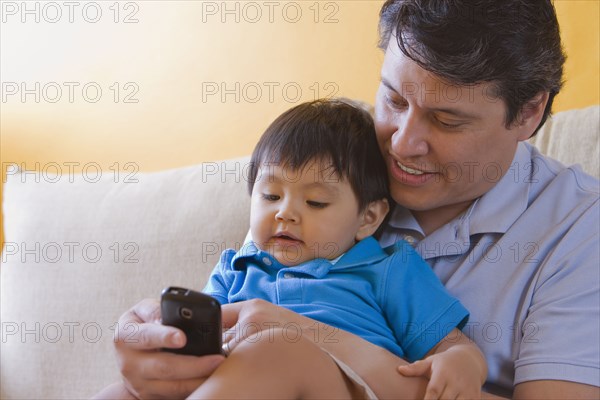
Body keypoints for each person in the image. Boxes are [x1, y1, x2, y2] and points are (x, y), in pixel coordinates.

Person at [109, 0, 600, 398]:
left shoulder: (580, 229)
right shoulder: (333, 158)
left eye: (447, 120)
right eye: (395, 99)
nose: (403, 144)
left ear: (529, 112)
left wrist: (306, 335)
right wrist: (156, 353)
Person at [96, 99, 487, 399]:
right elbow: (199, 344)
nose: (286, 214)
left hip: (338, 386)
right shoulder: (236, 268)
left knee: (277, 347)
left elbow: (453, 347)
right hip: (237, 385)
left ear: (368, 218)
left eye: (315, 202)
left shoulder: (387, 269)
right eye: (270, 195)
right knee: (121, 393)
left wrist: (464, 361)